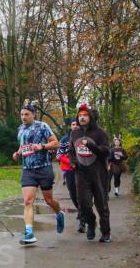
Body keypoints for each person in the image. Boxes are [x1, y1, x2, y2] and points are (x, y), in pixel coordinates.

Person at [11, 102, 64, 245]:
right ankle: (29, 232)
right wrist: (18, 153)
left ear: (33, 114)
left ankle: (59, 213)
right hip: (28, 170)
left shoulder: (42, 126)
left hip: (43, 168)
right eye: (21, 114)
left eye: (26, 114)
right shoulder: (20, 129)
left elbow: (56, 143)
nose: (23, 117)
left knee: (49, 200)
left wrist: (42, 146)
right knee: (28, 201)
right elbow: (23, 145)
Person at [69, 103, 111, 242]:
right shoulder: (75, 133)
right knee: (83, 204)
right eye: (80, 115)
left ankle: (105, 232)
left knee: (101, 204)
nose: (82, 118)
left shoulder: (100, 133)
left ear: (90, 117)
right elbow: (71, 150)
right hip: (81, 173)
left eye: (85, 115)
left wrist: (92, 146)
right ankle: (91, 223)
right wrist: (73, 161)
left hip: (98, 173)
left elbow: (106, 151)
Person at [57, 118, 85, 233]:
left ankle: (83, 220)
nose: (75, 126)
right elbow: (59, 155)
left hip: (83, 170)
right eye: (73, 124)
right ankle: (80, 210)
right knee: (73, 194)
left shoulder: (85, 138)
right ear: (70, 126)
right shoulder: (64, 139)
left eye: (77, 124)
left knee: (82, 194)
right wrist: (71, 162)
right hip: (69, 170)